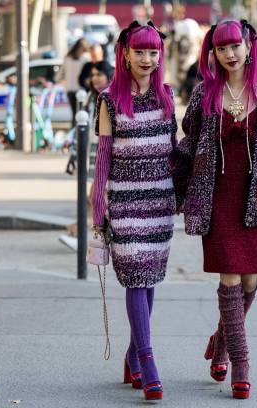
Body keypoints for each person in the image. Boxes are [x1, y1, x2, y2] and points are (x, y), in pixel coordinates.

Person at [173, 19, 257, 399]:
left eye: (235, 46)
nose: (229, 54)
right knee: (229, 277)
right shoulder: (203, 95)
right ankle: (241, 365)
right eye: (221, 48)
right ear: (212, 52)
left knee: (250, 281)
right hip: (216, 200)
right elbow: (187, 144)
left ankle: (223, 342)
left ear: (249, 48)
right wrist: (174, 188)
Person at [91, 21, 177, 401]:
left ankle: (131, 356)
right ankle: (147, 359)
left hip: (159, 201)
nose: (147, 59)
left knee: (150, 276)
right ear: (124, 54)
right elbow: (103, 159)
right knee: (135, 278)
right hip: (124, 202)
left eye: (153, 52)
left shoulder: (168, 97)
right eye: (139, 51)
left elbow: (174, 153)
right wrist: (98, 209)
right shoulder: (109, 99)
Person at [60, 60, 115, 251]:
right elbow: (82, 125)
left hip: (108, 159)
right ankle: (85, 235)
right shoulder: (93, 98)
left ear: (109, 75)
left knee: (96, 198)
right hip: (95, 157)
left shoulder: (111, 97)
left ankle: (87, 237)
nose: (95, 79)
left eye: (99, 74)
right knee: (94, 198)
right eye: (92, 75)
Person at [58, 38, 90, 126]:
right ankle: (80, 136)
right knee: (83, 114)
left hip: (70, 89)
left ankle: (74, 135)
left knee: (75, 114)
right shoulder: (86, 58)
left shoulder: (68, 57)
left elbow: (60, 74)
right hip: (81, 90)